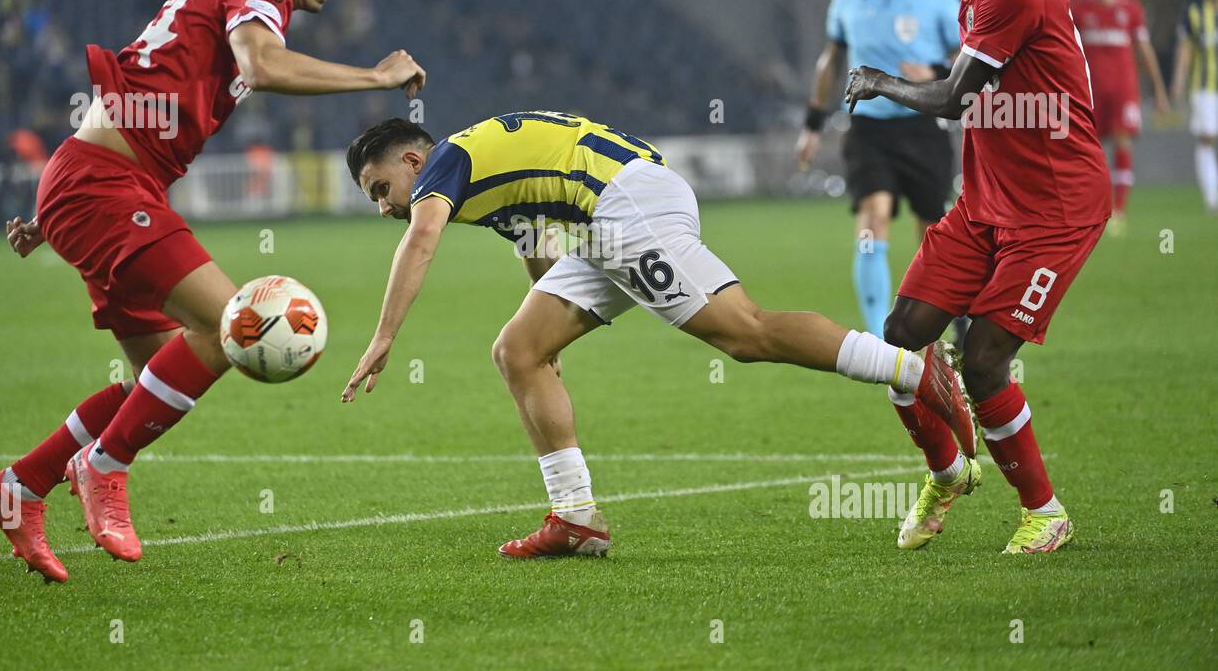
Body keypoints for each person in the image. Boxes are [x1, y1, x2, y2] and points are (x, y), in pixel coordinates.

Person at [0, 0, 427, 583]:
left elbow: (142, 83)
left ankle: (19, 488)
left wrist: (53, 211)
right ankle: (103, 466)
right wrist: (373, 75)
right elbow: (261, 66)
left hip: (97, 184)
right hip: (103, 188)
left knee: (152, 383)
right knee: (235, 326)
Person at [340, 111, 974, 558]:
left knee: (744, 334)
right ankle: (576, 518)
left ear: (413, 161)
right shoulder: (480, 166)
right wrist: (547, 329)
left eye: (381, 188)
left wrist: (383, 336)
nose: (383, 206)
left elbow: (420, 240)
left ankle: (916, 370)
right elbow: (536, 234)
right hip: (605, 220)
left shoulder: (445, 164)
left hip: (626, 207)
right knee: (519, 351)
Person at [844, 0, 1110, 554]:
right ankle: (948, 472)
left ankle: (1044, 510)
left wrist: (880, 80)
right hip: (986, 200)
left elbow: (953, 95)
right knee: (901, 336)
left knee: (984, 359)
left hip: (1054, 209)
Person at [796, 0, 961, 340]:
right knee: (874, 218)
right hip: (868, 128)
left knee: (934, 232)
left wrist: (935, 71)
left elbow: (966, 56)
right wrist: (812, 124)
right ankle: (880, 342)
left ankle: (950, 325)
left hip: (924, 125)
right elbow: (831, 60)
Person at [1069, 0, 1170, 232]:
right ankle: (1091, 209)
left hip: (1124, 89)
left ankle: (1120, 211)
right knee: (1091, 151)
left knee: (1122, 143)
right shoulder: (1076, 8)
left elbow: (1144, 51)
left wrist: (1160, 91)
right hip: (1088, 92)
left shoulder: (1131, 8)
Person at [1170, 0, 1218, 213]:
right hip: (1204, 88)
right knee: (1207, 139)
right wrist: (1178, 81)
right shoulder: (1195, 13)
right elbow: (1185, 49)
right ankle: (1212, 197)